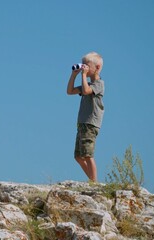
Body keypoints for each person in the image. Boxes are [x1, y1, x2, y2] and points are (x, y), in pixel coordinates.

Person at [66, 52, 104, 182]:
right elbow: (69, 91)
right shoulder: (85, 84)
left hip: (91, 123)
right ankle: (92, 180)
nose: (84, 68)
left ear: (97, 67)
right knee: (78, 156)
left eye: (87, 65)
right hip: (82, 123)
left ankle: (94, 182)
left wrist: (83, 75)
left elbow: (87, 91)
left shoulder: (99, 84)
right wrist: (74, 75)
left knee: (88, 155)